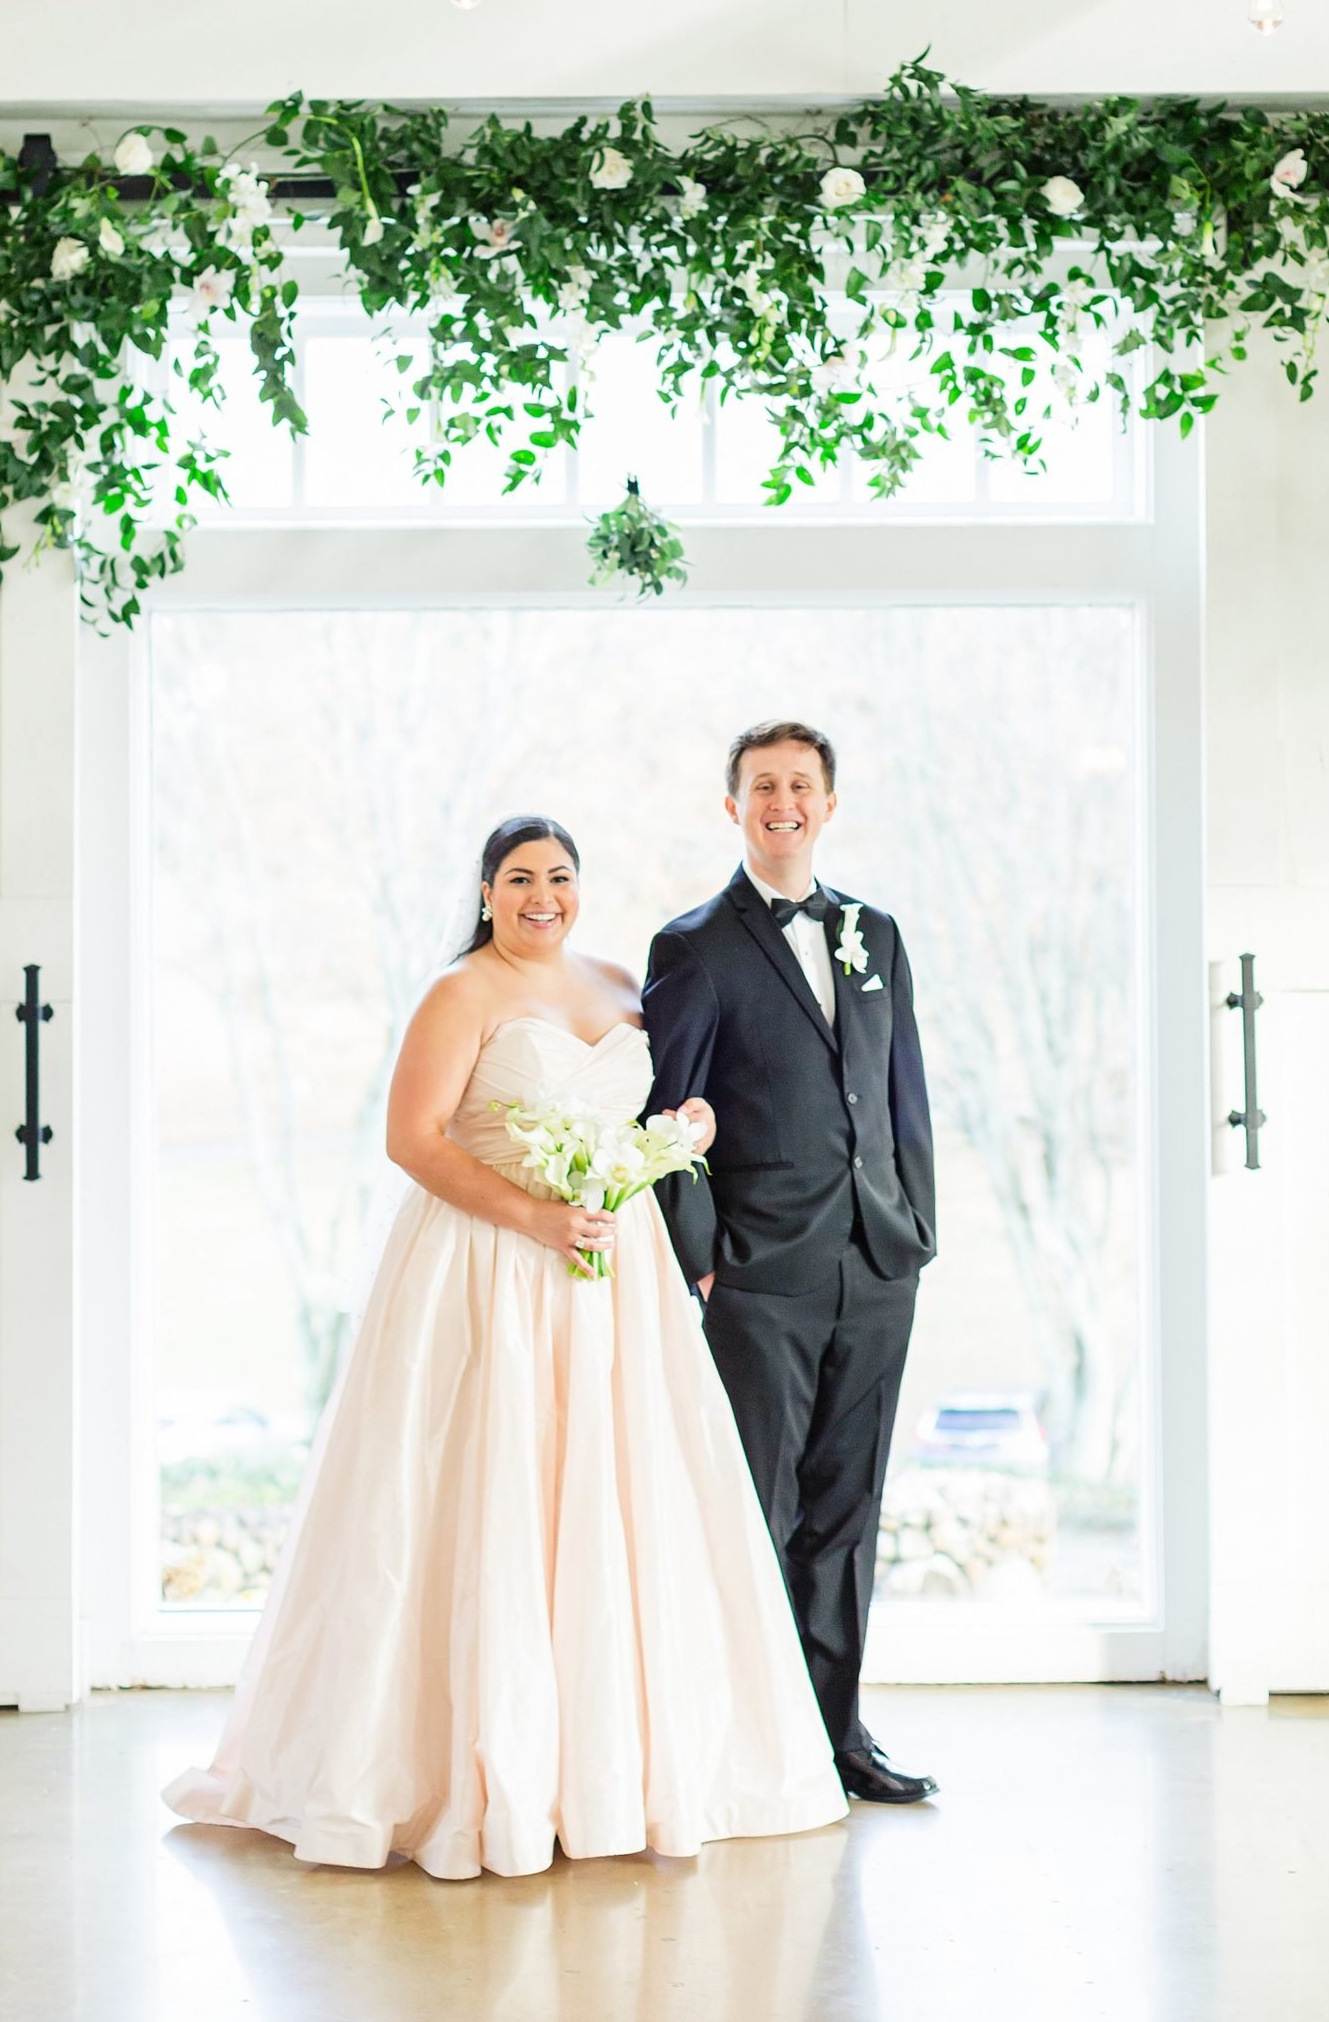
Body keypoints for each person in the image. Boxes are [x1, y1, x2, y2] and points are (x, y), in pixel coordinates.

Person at [164, 813, 848, 1879]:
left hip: (615, 1281)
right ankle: (464, 1774)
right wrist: (530, 1219)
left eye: (561, 876)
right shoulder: (461, 993)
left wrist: (683, 1139)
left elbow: (645, 1120)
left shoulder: (624, 985)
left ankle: (605, 1771)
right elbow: (413, 1138)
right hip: (484, 1271)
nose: (543, 895)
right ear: (486, 890)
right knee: (482, 1498)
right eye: (521, 877)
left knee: (612, 1505)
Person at [642, 722, 939, 1805]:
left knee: (847, 1511)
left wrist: (915, 1234)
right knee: (751, 1514)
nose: (783, 800)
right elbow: (663, 1117)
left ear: (828, 802)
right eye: (763, 784)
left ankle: (836, 1739)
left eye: (800, 784)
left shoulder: (878, 933)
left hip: (877, 1263)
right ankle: (744, 1748)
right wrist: (705, 1263)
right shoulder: (693, 946)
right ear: (734, 806)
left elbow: (904, 1094)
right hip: (759, 1278)